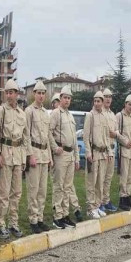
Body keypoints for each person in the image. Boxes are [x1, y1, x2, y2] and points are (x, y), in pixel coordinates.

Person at [0, 79, 27, 239]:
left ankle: (13, 223)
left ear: (17, 94)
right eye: (7, 92)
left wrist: (24, 158)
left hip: (18, 154)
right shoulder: (1, 110)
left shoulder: (22, 113)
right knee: (3, 192)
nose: (9, 95)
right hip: (5, 153)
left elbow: (25, 137)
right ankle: (1, 224)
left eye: (12, 92)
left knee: (17, 192)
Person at [50, 85, 81, 228]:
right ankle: (57, 217)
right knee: (59, 186)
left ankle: (65, 214)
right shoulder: (56, 113)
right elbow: (48, 132)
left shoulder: (70, 115)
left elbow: (74, 139)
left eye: (69, 98)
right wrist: (55, 147)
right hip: (60, 155)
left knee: (68, 187)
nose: (67, 100)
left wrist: (76, 158)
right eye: (65, 98)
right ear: (60, 98)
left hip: (70, 154)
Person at [25, 81, 52, 233]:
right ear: (33, 94)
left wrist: (49, 156)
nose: (41, 96)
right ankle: (33, 219)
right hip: (34, 152)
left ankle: (40, 217)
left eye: (43, 93)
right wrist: (30, 155)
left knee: (42, 190)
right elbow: (26, 135)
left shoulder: (45, 113)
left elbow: (47, 136)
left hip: (44, 154)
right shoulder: (29, 111)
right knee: (33, 189)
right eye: (38, 93)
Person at [84, 91, 111, 218]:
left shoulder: (104, 116)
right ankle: (90, 207)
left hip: (102, 154)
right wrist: (88, 152)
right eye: (95, 101)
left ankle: (98, 205)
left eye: (98, 101)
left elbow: (106, 136)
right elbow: (86, 136)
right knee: (91, 182)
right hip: (93, 153)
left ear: (102, 102)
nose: (96, 103)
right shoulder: (90, 116)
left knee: (100, 182)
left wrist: (109, 152)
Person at [115, 94, 131, 211]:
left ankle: (128, 197)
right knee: (124, 175)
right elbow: (116, 132)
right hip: (124, 150)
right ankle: (122, 199)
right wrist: (126, 142)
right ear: (125, 104)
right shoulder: (119, 116)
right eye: (129, 104)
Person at [101, 88, 119, 212]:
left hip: (112, 149)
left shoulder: (112, 114)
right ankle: (99, 201)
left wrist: (116, 134)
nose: (108, 99)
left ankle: (106, 201)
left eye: (110, 97)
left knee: (108, 178)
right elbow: (101, 131)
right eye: (106, 96)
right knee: (101, 178)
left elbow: (117, 130)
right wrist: (111, 133)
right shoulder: (99, 113)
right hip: (103, 150)